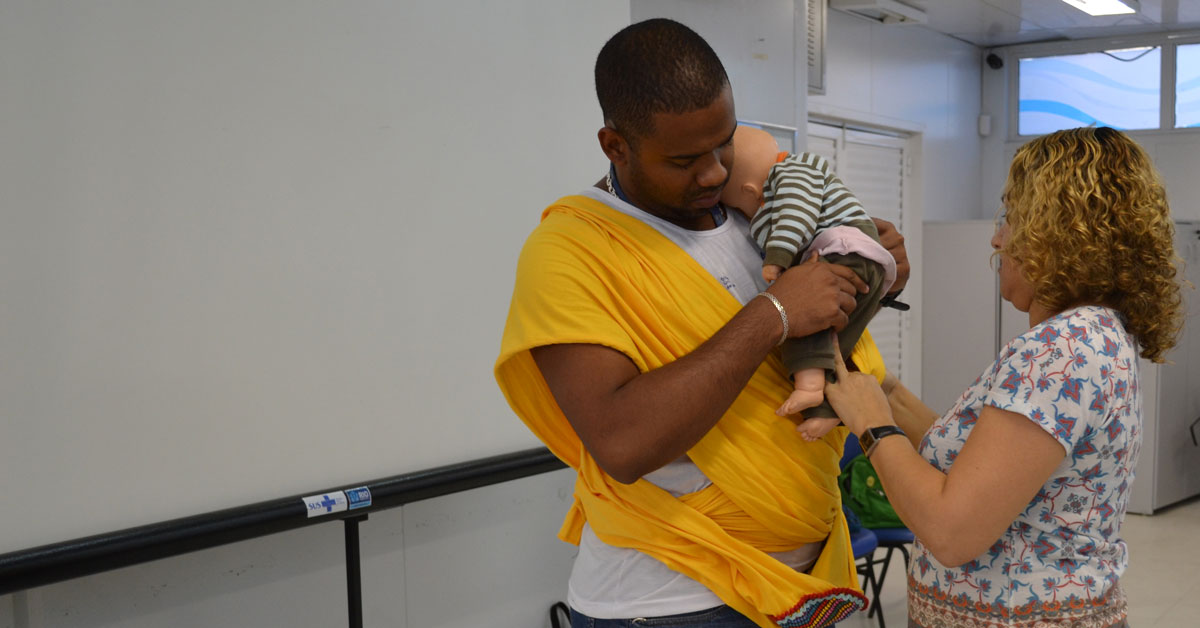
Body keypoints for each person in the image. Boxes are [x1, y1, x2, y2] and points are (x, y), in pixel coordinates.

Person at [494, 18, 911, 628]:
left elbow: (829, 332)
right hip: (667, 603)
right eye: (685, 159)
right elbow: (622, 443)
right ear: (615, 146)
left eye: (724, 142)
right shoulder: (571, 250)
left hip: (802, 581)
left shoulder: (754, 206)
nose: (714, 173)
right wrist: (774, 312)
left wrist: (873, 267)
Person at [824, 126, 1184, 628]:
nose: (997, 238)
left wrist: (873, 427)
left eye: (1012, 219)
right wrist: (880, 388)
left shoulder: (1059, 351)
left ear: (1056, 234)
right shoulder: (1093, 333)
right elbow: (982, 467)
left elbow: (952, 532)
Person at [721, 125, 898, 441]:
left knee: (802, 322)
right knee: (836, 342)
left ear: (750, 191)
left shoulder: (791, 172)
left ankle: (810, 387)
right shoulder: (794, 177)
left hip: (841, 249)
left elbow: (797, 215)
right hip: (862, 259)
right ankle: (827, 409)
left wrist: (778, 255)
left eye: (738, 207)